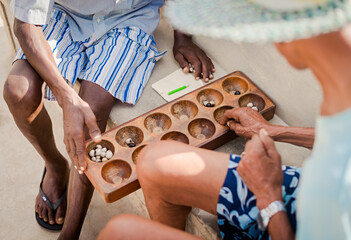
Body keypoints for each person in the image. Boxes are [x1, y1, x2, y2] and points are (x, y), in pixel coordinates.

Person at [98, 0, 351, 239]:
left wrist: (268, 196)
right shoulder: (346, 85)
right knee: (154, 161)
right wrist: (273, 131)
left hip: (289, 222)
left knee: (119, 232)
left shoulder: (344, 190)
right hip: (300, 192)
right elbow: (345, 137)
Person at [3, 0, 214, 238]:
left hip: (129, 17)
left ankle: (71, 232)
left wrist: (183, 36)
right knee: (18, 91)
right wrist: (65, 95)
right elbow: (25, 25)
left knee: (91, 114)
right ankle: (55, 165)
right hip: (65, 13)